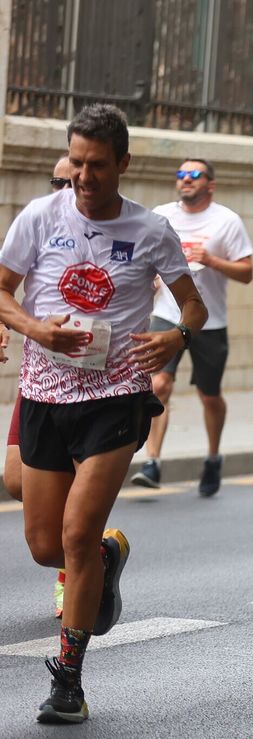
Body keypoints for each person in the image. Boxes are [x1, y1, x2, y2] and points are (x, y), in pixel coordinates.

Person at [0, 103, 206, 723]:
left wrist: (175, 338)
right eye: (76, 164)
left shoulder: (149, 231)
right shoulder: (40, 216)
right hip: (43, 393)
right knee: (43, 546)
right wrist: (36, 326)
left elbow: (192, 306)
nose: (84, 178)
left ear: (122, 163)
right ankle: (107, 558)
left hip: (114, 398)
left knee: (75, 535)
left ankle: (69, 681)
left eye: (97, 166)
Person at [132, 158, 253, 496]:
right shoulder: (161, 215)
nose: (185, 179)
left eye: (194, 175)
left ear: (210, 184)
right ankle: (152, 462)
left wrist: (213, 260)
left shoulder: (227, 221)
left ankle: (213, 457)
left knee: (209, 396)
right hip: (168, 314)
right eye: (181, 174)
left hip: (210, 322)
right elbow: (143, 256)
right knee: (159, 384)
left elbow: (247, 272)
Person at [5, 157, 77, 619]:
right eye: (59, 180)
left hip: (96, 386)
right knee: (15, 479)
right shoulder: (38, 220)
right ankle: (87, 545)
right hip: (40, 375)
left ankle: (77, 560)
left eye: (76, 179)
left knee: (74, 511)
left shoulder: (121, 227)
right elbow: (5, 286)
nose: (68, 187)